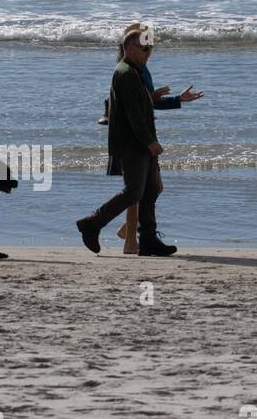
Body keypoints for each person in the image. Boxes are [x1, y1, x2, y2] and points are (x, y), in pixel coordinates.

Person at [77, 23, 191, 256]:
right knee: (134, 192)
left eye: (150, 49)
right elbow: (134, 115)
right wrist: (150, 142)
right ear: (129, 47)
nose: (148, 53)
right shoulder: (125, 73)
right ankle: (92, 223)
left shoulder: (136, 71)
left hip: (141, 141)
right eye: (143, 48)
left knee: (149, 192)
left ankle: (147, 240)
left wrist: (173, 99)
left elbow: (144, 104)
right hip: (133, 143)